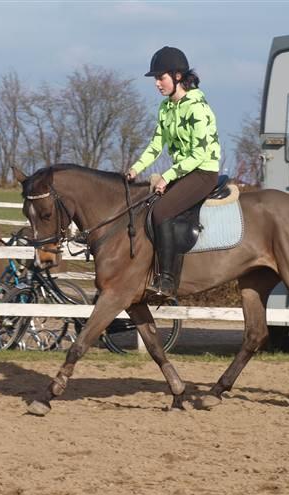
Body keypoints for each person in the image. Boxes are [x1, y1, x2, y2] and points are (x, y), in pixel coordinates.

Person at [126, 46, 221, 304]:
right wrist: (135, 168)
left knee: (161, 211)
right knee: (146, 208)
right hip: (184, 172)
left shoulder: (197, 108)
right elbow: (156, 145)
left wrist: (166, 176)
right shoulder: (166, 108)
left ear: (178, 76)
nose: (157, 83)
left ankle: (166, 280)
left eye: (161, 77)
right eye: (156, 79)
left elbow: (199, 155)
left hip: (203, 172)